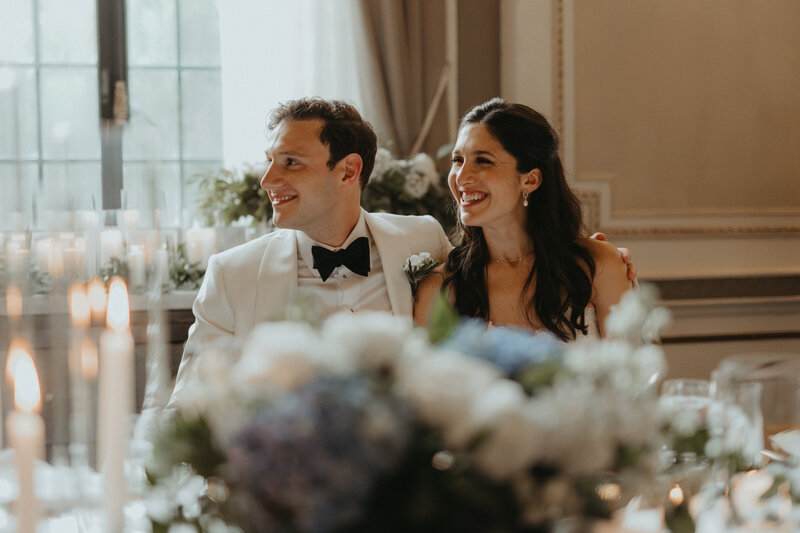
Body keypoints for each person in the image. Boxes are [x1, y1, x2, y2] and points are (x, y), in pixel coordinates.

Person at [164, 98, 451, 408]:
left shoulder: (424, 239)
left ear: (348, 171)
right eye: (270, 161)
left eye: (291, 162)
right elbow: (187, 407)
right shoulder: (232, 275)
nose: (267, 180)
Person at [414, 98, 632, 339]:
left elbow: (635, 371)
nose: (461, 176)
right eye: (458, 160)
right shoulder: (442, 288)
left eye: (483, 160)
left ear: (530, 180)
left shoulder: (598, 265)